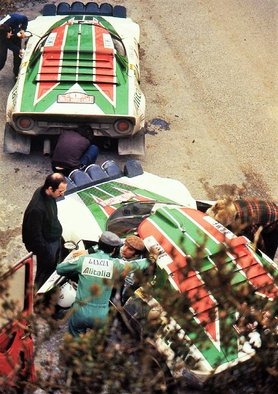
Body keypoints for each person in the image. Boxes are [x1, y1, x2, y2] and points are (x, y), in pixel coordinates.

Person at [56, 231, 158, 337]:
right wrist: (152, 259)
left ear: (136, 254)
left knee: (74, 336)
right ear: (114, 248)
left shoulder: (84, 260)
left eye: (130, 249)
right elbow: (138, 264)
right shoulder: (118, 263)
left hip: (82, 311)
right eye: (124, 246)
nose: (124, 249)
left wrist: (86, 254)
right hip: (102, 314)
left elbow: (60, 269)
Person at [22, 173, 67, 290]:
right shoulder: (37, 209)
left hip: (53, 237)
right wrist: (46, 252)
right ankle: (39, 293)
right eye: (60, 191)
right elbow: (34, 236)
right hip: (47, 244)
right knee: (45, 272)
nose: (62, 194)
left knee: (54, 264)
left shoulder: (47, 194)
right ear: (50, 188)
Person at [207, 198, 278, 259]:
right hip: (269, 208)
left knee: (268, 254)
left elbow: (258, 239)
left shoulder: (245, 220)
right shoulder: (234, 206)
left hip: (274, 222)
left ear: (229, 219)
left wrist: (261, 254)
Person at [0, 13, 28, 77]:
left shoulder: (16, 18)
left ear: (9, 31)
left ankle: (16, 73)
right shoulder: (2, 35)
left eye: (8, 35)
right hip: (3, 39)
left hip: (15, 33)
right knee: (2, 58)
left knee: (18, 56)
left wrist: (23, 29)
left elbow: (25, 19)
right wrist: (18, 50)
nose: (9, 36)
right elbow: (8, 44)